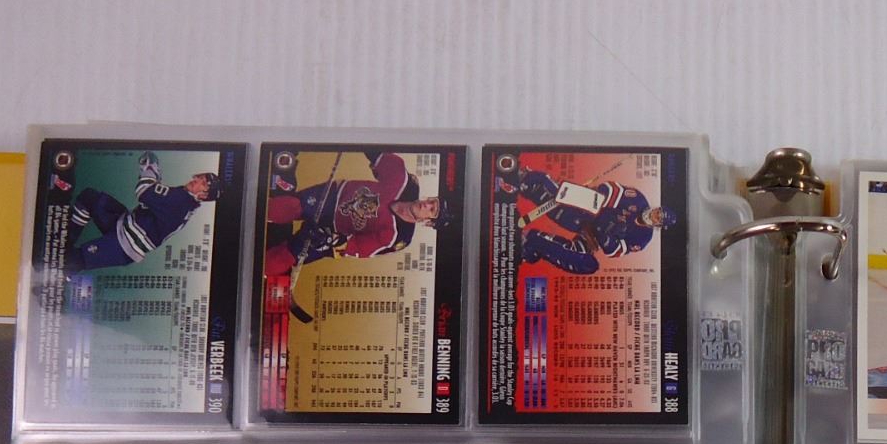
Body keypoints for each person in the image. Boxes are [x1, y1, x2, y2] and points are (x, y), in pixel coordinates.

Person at [263, 150, 455, 282]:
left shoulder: (400, 237)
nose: (427, 204)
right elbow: (376, 152)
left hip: (333, 233)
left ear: (428, 222)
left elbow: (360, 247)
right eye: (433, 201)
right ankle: (258, 211)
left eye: (432, 210)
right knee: (292, 206)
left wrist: (333, 241)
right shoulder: (406, 183)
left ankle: (257, 269)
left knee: (289, 254)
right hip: (334, 196)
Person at [497, 166, 677, 275]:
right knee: (552, 195)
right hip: (587, 212)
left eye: (658, 218)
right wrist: (598, 199)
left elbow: (614, 251)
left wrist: (606, 236)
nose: (654, 215)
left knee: (587, 264)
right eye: (658, 212)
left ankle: (532, 242)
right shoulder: (638, 199)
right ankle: (522, 179)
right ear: (657, 208)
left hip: (592, 235)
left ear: (658, 225)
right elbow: (609, 190)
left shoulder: (643, 238)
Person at [63, 152, 221, 272]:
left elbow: (144, 191)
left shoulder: (181, 201)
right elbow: (153, 199)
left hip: (124, 246)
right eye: (201, 178)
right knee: (90, 198)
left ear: (203, 195)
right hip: (125, 224)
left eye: (203, 184)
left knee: (71, 261)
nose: (197, 180)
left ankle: (56, 279)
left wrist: (150, 168)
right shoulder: (186, 199)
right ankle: (64, 241)